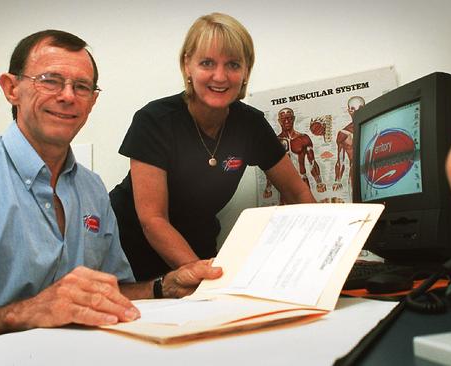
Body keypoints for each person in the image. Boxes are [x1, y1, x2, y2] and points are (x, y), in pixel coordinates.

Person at [0, 29, 221, 358]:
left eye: (81, 86)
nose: (68, 96)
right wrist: (23, 313)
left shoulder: (92, 188)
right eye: (50, 80)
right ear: (11, 89)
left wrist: (164, 286)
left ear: (92, 101)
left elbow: (115, 292)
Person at [109, 13, 315, 281]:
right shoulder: (155, 120)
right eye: (207, 63)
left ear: (245, 72)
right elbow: (153, 220)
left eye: (233, 64)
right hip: (129, 248)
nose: (220, 76)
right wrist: (204, 277)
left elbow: (297, 192)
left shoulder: (250, 124)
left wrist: (327, 250)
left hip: (198, 244)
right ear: (187, 66)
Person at [263, 107, 326, 201]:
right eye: (283, 119)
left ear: (294, 118)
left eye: (289, 118)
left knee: (307, 211)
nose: (287, 121)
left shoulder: (304, 138)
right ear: (279, 121)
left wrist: (319, 182)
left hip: (302, 181)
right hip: (285, 185)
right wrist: (268, 188)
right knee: (286, 213)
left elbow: (312, 162)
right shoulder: (275, 142)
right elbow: (271, 168)